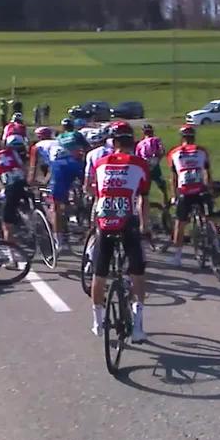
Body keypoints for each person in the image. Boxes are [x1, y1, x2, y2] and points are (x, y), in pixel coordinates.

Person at [88, 121, 150, 342]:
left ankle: (97, 322)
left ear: (113, 142)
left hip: (104, 222)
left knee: (99, 272)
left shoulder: (100, 163)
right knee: (137, 272)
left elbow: (97, 194)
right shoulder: (140, 164)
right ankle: (138, 326)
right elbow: (143, 199)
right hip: (127, 222)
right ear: (131, 142)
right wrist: (146, 226)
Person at [167, 125, 213, 268]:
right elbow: (207, 172)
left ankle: (178, 256)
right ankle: (214, 241)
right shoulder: (202, 151)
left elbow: (173, 178)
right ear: (194, 137)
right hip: (200, 190)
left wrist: (174, 196)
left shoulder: (174, 153)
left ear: (182, 138)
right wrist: (208, 189)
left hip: (185, 192)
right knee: (209, 217)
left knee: (179, 224)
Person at [48, 131, 85, 250]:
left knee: (56, 207)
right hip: (74, 164)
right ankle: (75, 212)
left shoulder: (47, 148)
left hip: (59, 168)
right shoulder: (75, 138)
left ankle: (58, 239)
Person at [136, 124, 168, 205]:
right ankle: (165, 202)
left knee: (145, 189)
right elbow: (162, 151)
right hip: (155, 164)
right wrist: (158, 159)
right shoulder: (156, 140)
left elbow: (137, 157)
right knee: (162, 186)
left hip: (145, 166)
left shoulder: (140, 144)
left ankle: (143, 204)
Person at [83, 128, 113, 206]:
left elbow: (88, 175)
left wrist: (87, 188)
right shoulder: (112, 151)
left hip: (99, 184)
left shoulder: (91, 154)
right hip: (116, 183)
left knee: (97, 206)